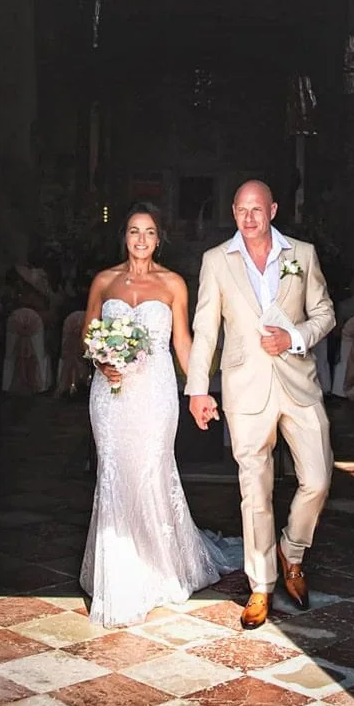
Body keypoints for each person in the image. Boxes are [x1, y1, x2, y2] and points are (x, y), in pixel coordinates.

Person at [79, 201, 240, 628]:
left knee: (151, 469)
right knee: (113, 472)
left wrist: (199, 391)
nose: (141, 239)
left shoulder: (172, 285)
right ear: (124, 236)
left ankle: (158, 567)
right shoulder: (104, 280)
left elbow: (182, 343)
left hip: (154, 394)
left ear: (158, 238)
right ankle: (117, 575)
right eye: (134, 231)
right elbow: (88, 331)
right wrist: (100, 359)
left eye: (149, 232)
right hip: (110, 394)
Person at [186, 180, 336, 631]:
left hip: (298, 385)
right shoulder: (216, 261)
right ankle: (260, 584)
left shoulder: (302, 255)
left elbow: (325, 313)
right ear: (233, 212)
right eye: (241, 210)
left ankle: (293, 553)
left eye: (257, 208)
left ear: (272, 209)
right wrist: (197, 389)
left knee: (318, 477)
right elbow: (206, 329)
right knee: (255, 491)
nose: (249, 217)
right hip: (245, 390)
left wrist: (293, 338)